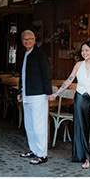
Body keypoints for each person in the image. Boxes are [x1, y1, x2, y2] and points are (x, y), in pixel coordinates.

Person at [50, 41, 90, 169]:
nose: (84, 53)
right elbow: (69, 80)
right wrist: (57, 93)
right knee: (80, 126)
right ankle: (87, 157)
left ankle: (80, 155)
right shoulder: (78, 65)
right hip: (80, 98)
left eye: (87, 50)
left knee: (85, 126)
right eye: (82, 51)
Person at [16, 29, 52, 165]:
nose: (27, 41)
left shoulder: (39, 54)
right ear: (22, 41)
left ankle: (42, 154)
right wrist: (20, 91)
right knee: (29, 125)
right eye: (25, 39)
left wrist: (48, 92)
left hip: (38, 95)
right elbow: (22, 75)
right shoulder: (25, 54)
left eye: (29, 39)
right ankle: (34, 149)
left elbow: (46, 73)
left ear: (34, 40)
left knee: (39, 125)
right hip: (27, 94)